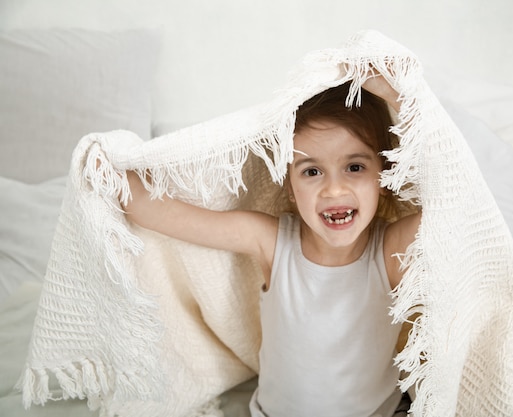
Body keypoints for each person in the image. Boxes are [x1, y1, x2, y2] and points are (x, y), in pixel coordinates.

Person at [122, 73, 421, 417]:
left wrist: (393, 95)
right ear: (290, 186)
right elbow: (158, 211)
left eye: (354, 167)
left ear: (384, 174)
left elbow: (456, 198)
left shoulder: (389, 251)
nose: (334, 190)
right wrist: (107, 167)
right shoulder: (273, 242)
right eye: (312, 172)